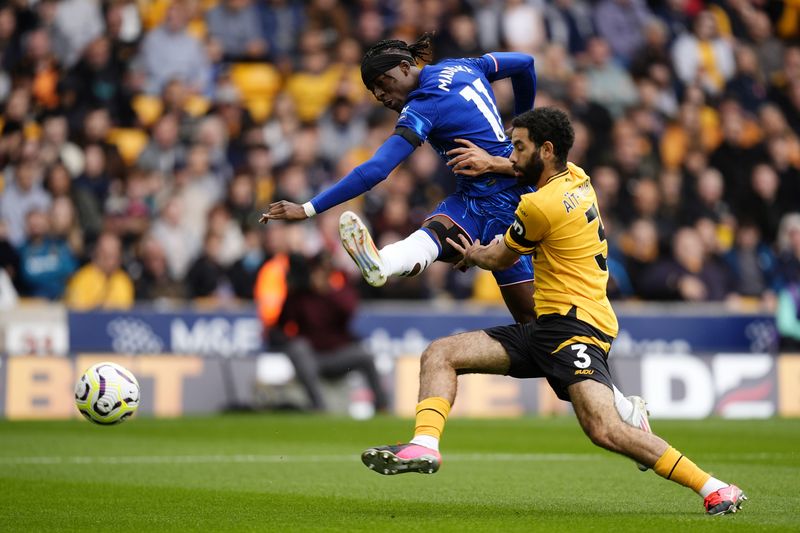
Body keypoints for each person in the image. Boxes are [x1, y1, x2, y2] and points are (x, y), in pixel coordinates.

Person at [360, 108, 746, 516]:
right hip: (549, 325)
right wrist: (495, 163)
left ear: (545, 150)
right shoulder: (578, 177)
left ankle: (715, 486)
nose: (511, 154)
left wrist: (471, 254)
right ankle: (425, 445)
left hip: (575, 329)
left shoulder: (539, 207)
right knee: (440, 353)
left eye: (519, 147)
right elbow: (517, 178)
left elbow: (499, 257)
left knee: (605, 430)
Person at [260, 33, 539, 324]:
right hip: (473, 196)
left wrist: (308, 208)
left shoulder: (424, 105)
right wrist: (522, 125)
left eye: (382, 83)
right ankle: (383, 262)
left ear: (405, 68)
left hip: (509, 201)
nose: (380, 95)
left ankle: (388, 262)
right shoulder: (464, 65)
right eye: (372, 91)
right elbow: (525, 63)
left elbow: (377, 169)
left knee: (529, 319)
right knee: (436, 232)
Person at [273, 252, 388, 413]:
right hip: (312, 357)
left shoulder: (336, 294)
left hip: (337, 354)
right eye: (316, 272)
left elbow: (350, 309)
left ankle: (382, 406)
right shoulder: (299, 297)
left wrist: (327, 291)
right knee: (298, 348)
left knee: (365, 356)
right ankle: (318, 406)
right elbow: (280, 326)